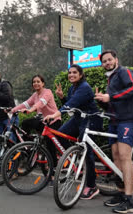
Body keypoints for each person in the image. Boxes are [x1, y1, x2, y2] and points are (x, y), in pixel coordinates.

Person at [44, 64, 103, 199]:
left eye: (74, 72)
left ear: (81, 75)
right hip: (78, 119)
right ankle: (75, 156)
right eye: (69, 72)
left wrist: (55, 114)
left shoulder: (85, 88)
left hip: (90, 119)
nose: (71, 75)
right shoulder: (72, 88)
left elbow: (71, 104)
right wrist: (62, 98)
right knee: (59, 136)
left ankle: (92, 186)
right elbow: (71, 104)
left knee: (86, 151)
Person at [95, 50, 133, 213]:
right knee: (115, 157)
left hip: (128, 119)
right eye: (104, 61)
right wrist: (102, 101)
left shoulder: (124, 71)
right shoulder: (110, 78)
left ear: (116, 60)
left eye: (109, 60)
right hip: (114, 120)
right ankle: (121, 194)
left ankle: (130, 200)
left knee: (124, 156)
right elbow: (112, 102)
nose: (107, 63)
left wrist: (110, 96)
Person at [12, 75, 62, 166]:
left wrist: (31, 110)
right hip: (43, 121)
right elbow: (25, 104)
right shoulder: (35, 95)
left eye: (38, 81)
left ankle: (54, 167)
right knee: (25, 123)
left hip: (54, 120)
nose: (36, 83)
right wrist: (12, 110)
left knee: (49, 142)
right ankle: (29, 147)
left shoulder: (48, 92)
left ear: (43, 83)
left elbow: (41, 103)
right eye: (34, 82)